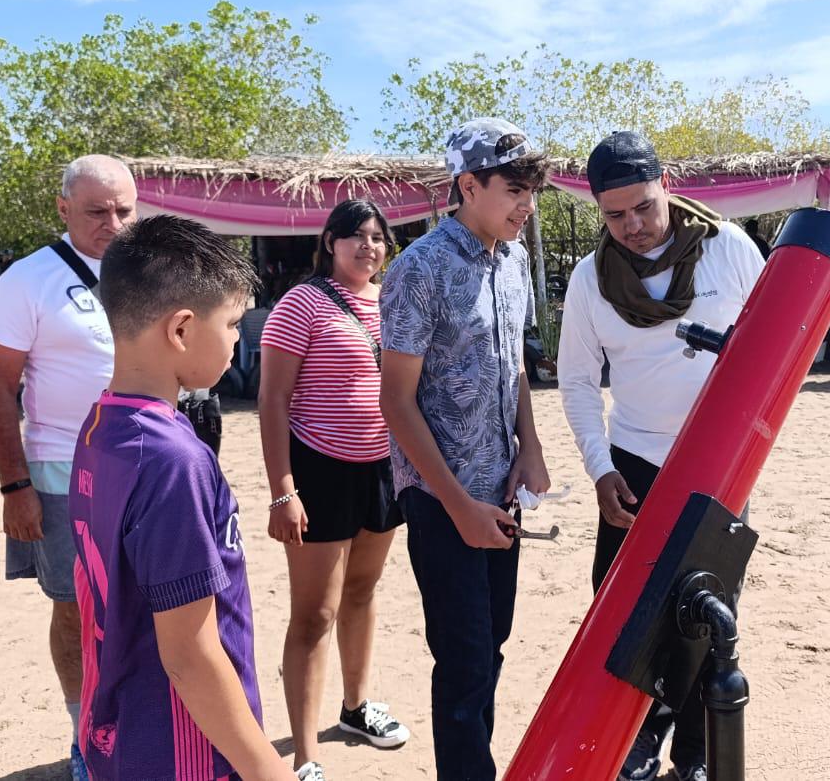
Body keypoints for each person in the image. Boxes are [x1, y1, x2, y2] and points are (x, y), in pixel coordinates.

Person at [556, 131, 765, 781]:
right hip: (634, 462)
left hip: (721, 463)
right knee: (621, 611)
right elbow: (577, 381)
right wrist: (600, 468)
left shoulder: (729, 250)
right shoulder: (591, 278)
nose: (633, 226)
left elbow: (775, 353)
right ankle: (636, 737)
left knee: (705, 615)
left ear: (666, 182)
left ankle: (696, 757)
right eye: (614, 215)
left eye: (643, 206)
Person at [68, 215, 294, 781]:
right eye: (234, 324)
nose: (240, 339)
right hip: (180, 747)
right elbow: (190, 655)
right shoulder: (172, 461)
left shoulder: (101, 424)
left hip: (118, 726)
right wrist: (269, 771)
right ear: (182, 330)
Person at [379, 117, 551, 780]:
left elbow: (513, 371)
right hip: (442, 499)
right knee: (463, 663)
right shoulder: (418, 270)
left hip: (503, 490)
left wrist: (529, 446)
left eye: (531, 190)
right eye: (513, 188)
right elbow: (395, 401)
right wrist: (458, 506)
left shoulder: (514, 262)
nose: (525, 204)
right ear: (468, 184)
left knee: (494, 649)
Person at [0, 154, 137, 781]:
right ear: (63, 208)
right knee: (76, 608)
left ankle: (142, 725)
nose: (114, 223)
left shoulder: (154, 269)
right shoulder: (28, 279)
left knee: (154, 605)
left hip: (148, 469)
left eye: (124, 209)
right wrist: (13, 487)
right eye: (97, 211)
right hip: (58, 469)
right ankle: (85, 737)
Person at [259, 200, 409, 781]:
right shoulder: (303, 304)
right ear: (329, 242)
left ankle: (354, 709)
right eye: (354, 237)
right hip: (318, 470)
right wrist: (283, 491)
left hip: (381, 468)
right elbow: (271, 402)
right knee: (314, 615)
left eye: (376, 238)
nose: (367, 247)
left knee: (364, 592)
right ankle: (304, 755)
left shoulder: (393, 303)